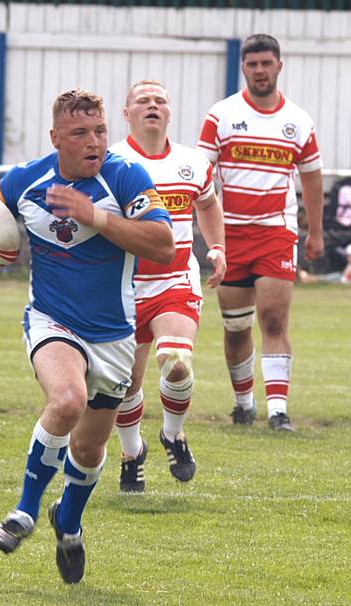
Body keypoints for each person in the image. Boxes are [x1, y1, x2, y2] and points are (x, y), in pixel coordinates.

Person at [0, 88, 174, 583]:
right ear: (56, 139)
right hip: (52, 320)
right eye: (79, 134)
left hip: (114, 334)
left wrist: (94, 216)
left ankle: (67, 522)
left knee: (89, 451)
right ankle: (25, 511)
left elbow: (163, 245)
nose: (93, 142)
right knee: (66, 401)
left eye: (99, 131)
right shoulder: (25, 181)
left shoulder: (125, 175)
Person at [197, 34, 324, 432]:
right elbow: (201, 177)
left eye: (266, 63)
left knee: (272, 319)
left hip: (276, 232)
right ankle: (243, 403)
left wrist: (315, 232)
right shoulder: (222, 115)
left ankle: (278, 410)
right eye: (252, 64)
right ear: (244, 68)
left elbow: (313, 176)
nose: (260, 71)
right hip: (230, 235)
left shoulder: (298, 121)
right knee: (236, 326)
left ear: (279, 67)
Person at [109, 80, 226, 492]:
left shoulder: (192, 163)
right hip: (122, 287)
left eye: (160, 100)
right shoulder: (111, 162)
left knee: (176, 360)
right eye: (143, 101)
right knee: (125, 384)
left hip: (175, 279)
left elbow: (208, 204)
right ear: (127, 113)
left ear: (170, 111)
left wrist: (216, 248)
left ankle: (173, 435)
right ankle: (132, 452)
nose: (152, 106)